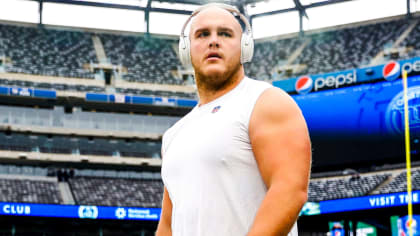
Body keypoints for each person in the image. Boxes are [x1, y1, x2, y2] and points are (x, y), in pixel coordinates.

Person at [156, 3, 311, 236]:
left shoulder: (266, 102)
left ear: (244, 47)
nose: (214, 41)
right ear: (186, 48)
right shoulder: (173, 135)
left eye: (225, 34)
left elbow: (289, 191)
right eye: (203, 34)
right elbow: (168, 224)